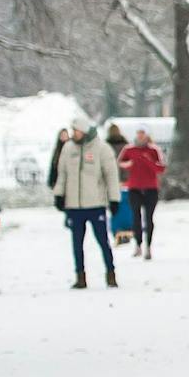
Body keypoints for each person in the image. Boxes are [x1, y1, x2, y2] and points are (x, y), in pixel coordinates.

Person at [53, 119, 121, 289]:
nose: (73, 133)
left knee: (102, 241)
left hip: (95, 204)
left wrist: (114, 199)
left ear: (84, 131)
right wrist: (59, 194)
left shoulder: (102, 149)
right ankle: (80, 276)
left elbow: (111, 176)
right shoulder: (68, 149)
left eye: (76, 130)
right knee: (77, 243)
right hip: (74, 205)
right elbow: (62, 174)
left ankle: (110, 273)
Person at [119, 128, 165, 258]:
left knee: (148, 218)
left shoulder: (154, 150)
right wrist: (129, 164)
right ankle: (138, 244)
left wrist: (148, 161)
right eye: (138, 134)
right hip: (134, 187)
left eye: (143, 135)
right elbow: (121, 162)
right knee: (136, 217)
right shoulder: (129, 149)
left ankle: (148, 246)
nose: (140, 137)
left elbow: (161, 168)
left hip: (151, 188)